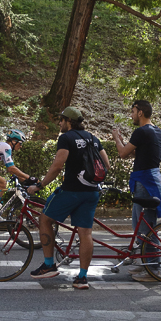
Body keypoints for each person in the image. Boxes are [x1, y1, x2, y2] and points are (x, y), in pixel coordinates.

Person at [30, 106, 110, 288]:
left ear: (68, 121)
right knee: (86, 233)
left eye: (61, 120)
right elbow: (107, 165)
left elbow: (58, 165)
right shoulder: (93, 138)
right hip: (92, 193)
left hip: (72, 191)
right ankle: (82, 278)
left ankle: (49, 265)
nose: (59, 123)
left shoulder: (66, 138)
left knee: (44, 220)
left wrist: (40, 185)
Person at [111, 99, 161, 269]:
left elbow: (123, 154)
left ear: (140, 112)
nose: (131, 115)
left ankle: (152, 268)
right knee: (142, 224)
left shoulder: (141, 131)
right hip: (151, 181)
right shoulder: (156, 131)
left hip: (144, 182)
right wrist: (124, 143)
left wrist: (116, 139)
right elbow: (137, 154)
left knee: (145, 227)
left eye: (132, 111)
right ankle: (147, 263)